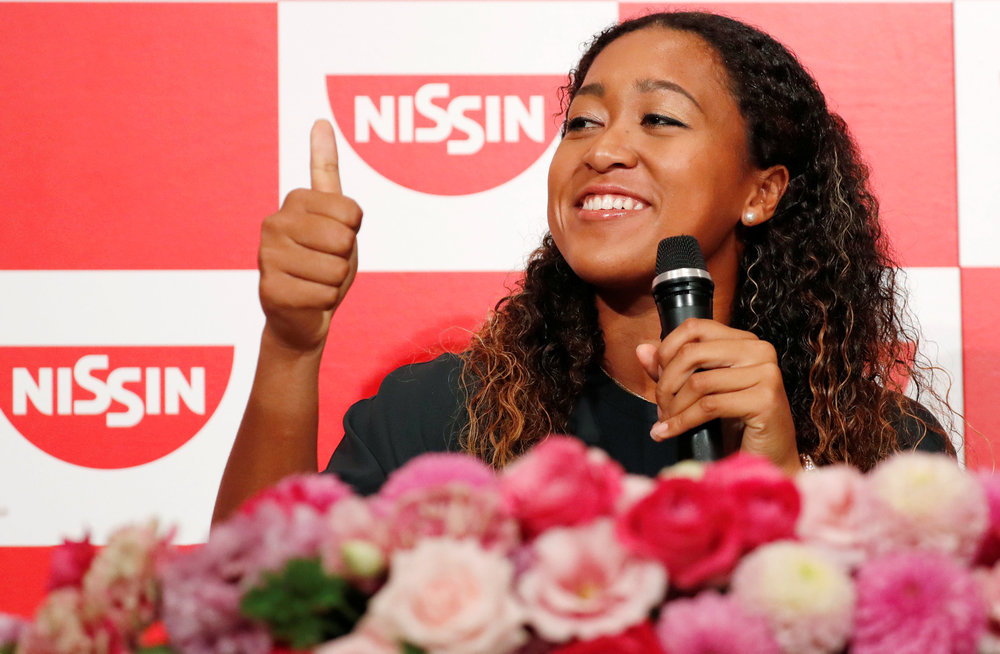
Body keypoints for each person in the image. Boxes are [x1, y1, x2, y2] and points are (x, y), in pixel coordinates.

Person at [213, 11, 951, 523]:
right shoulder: (435, 417)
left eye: (658, 120)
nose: (602, 151)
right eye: (583, 123)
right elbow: (252, 616)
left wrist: (784, 484)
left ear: (761, 191)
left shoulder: (889, 452)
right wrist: (292, 346)